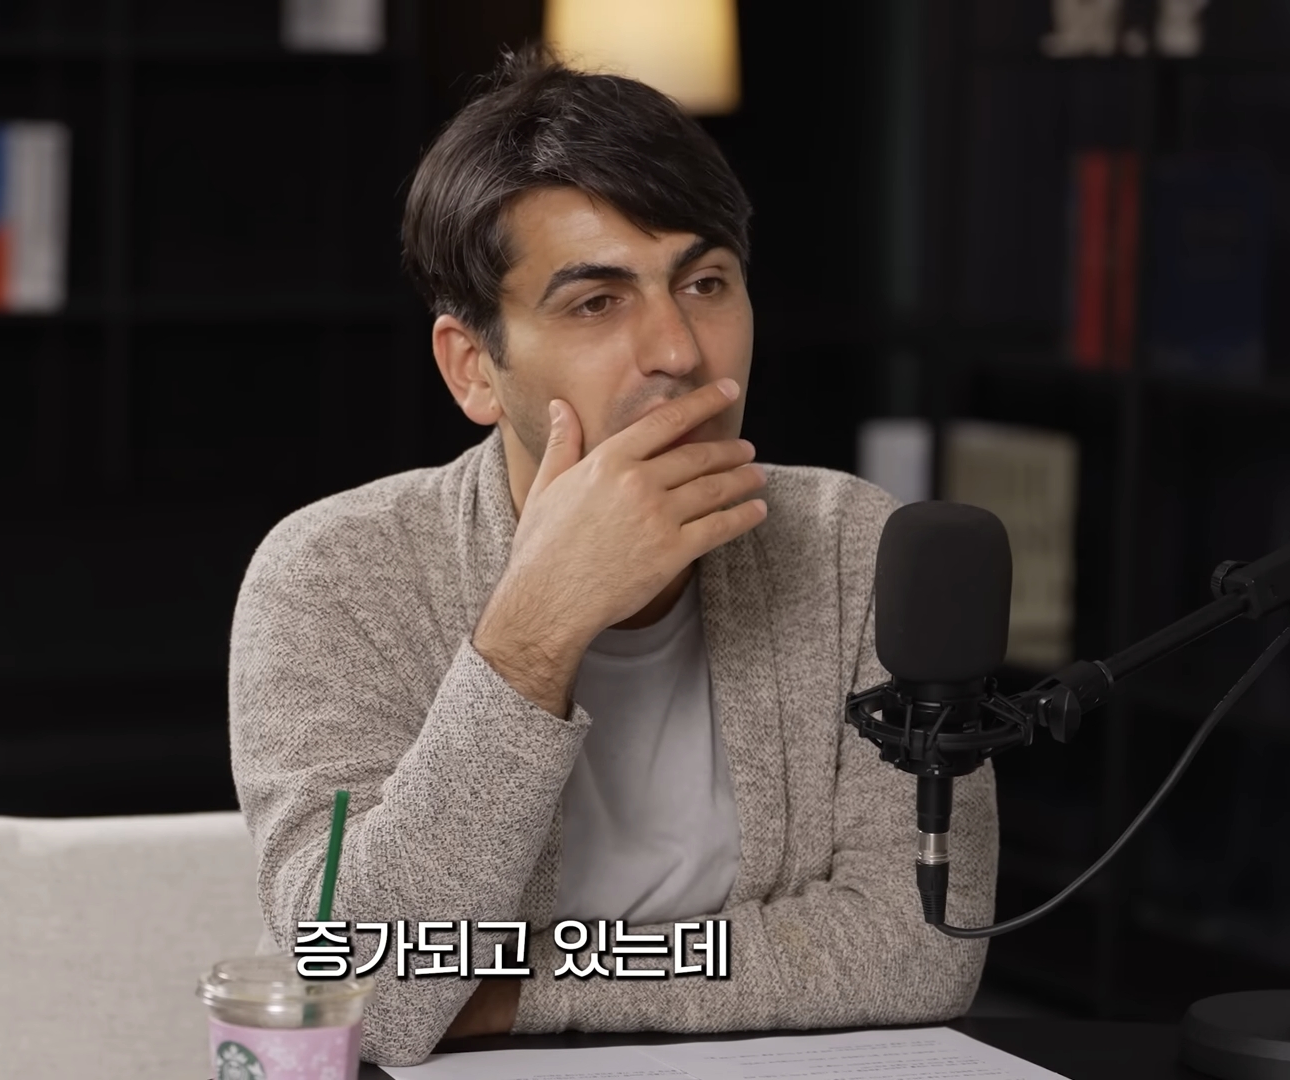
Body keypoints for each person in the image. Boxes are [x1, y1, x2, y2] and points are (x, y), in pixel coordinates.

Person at [228, 43, 998, 1067]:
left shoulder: (855, 547)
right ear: (473, 368)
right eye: (597, 302)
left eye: (706, 283)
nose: (678, 350)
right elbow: (365, 986)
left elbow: (921, 947)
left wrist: (522, 987)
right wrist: (531, 635)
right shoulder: (334, 576)